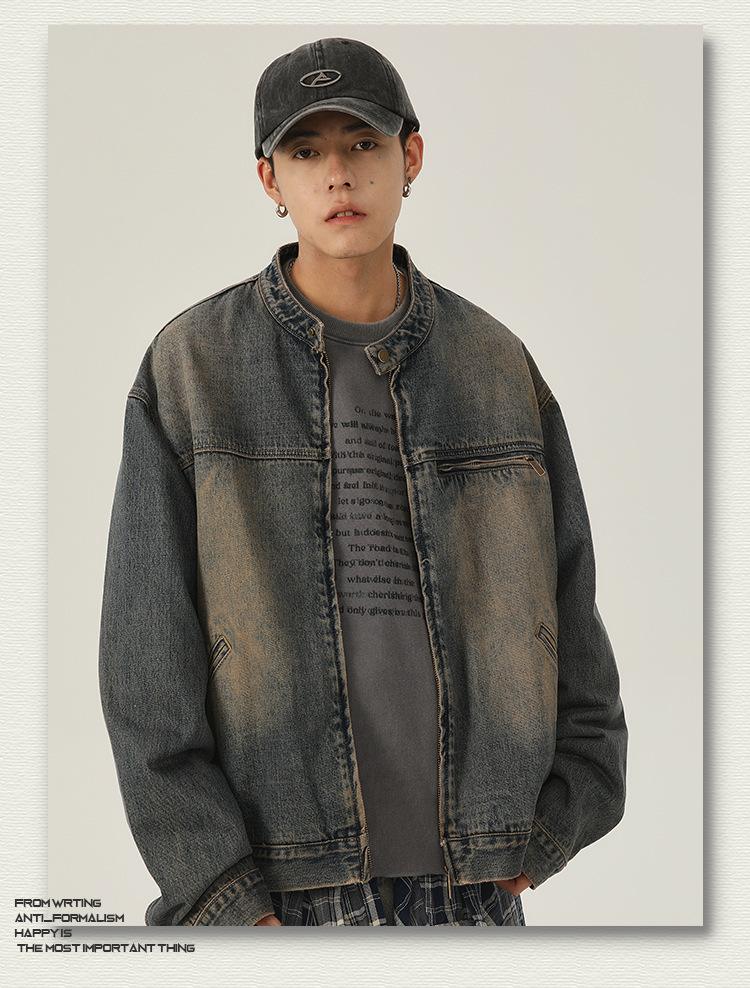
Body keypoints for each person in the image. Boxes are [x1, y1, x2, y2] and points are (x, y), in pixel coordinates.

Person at [99, 37, 627, 928]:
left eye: (363, 144)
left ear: (410, 157)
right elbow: (145, 664)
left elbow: (571, 607)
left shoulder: (496, 366)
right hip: (281, 891)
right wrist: (222, 890)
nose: (337, 174)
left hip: (475, 883)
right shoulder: (192, 371)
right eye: (306, 151)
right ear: (270, 180)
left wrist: (558, 817)